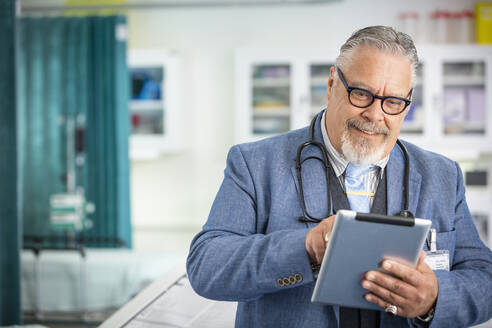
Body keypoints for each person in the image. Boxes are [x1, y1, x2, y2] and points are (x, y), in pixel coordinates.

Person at [186, 26, 492, 327]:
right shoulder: (256, 164)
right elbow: (207, 267)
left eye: (393, 102)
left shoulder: (441, 176)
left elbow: (484, 280)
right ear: (332, 83)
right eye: (361, 94)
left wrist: (434, 297)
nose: (374, 115)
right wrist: (306, 248)